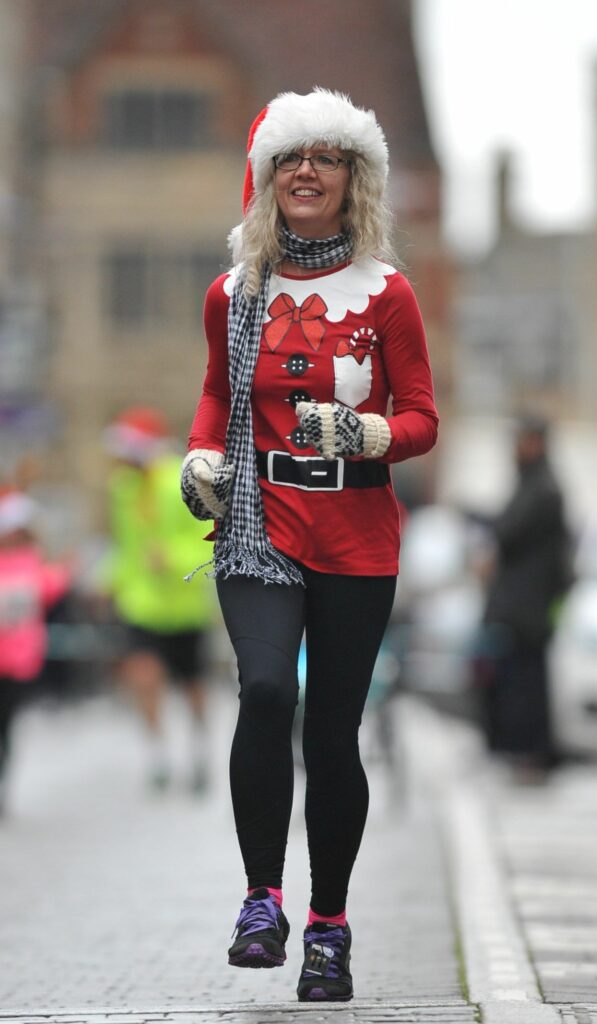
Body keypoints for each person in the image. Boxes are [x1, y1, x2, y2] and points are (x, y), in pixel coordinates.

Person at [181, 88, 438, 1001]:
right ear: (265, 179)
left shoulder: (388, 293)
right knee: (261, 691)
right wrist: (202, 457)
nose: (306, 171)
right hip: (259, 525)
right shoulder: (234, 294)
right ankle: (261, 902)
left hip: (358, 536)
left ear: (352, 179)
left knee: (332, 735)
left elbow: (421, 420)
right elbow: (218, 394)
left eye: (326, 158)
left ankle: (329, 927)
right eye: (292, 159)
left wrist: (368, 436)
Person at [102, 406, 219, 793]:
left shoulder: (180, 483)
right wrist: (111, 580)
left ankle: (200, 748)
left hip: (184, 607)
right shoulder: (123, 487)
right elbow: (126, 546)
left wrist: (169, 559)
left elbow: (207, 542)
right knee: (143, 675)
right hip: (141, 605)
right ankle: (158, 753)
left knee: (192, 686)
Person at [472, 414, 571, 780]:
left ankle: (533, 752)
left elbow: (509, 530)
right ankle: (521, 749)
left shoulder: (544, 489)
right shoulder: (532, 484)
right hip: (523, 608)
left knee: (528, 682)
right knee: (517, 679)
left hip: (529, 610)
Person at [0, 488, 71, 815]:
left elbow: (50, 586)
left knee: (6, 726)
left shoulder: (31, 561)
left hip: (18, 663)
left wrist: (66, 568)